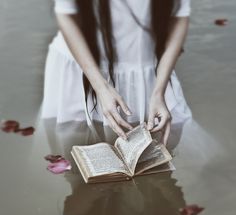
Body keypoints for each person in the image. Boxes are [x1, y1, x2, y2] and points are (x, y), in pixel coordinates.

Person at [41, 0, 192, 145]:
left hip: (149, 65)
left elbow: (180, 16)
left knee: (168, 143)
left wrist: (159, 91)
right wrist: (101, 87)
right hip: (83, 62)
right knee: (73, 147)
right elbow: (65, 14)